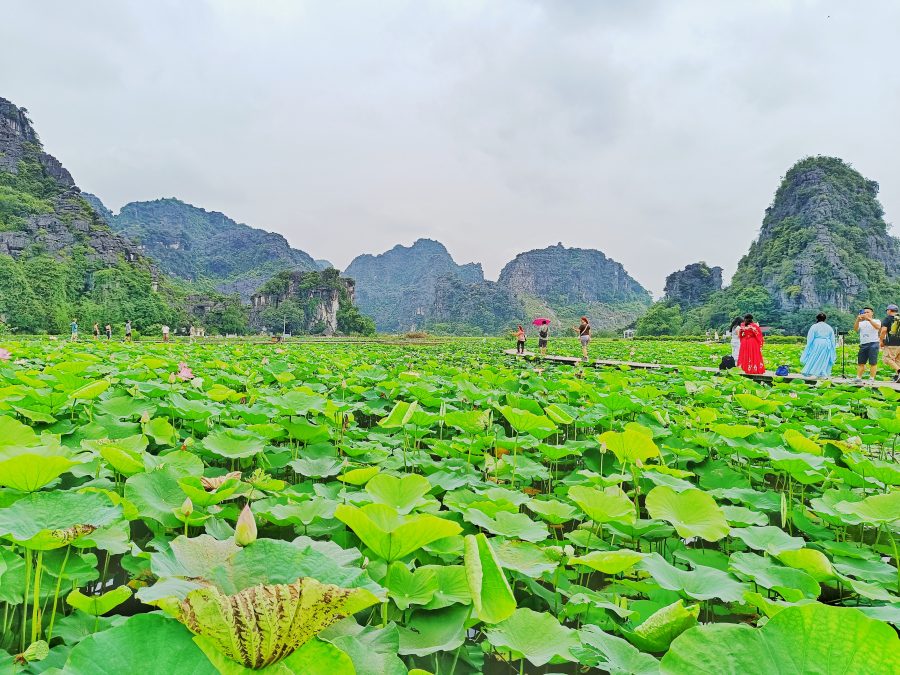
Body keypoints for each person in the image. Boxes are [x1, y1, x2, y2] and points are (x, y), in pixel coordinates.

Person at [800, 313, 836, 377]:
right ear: (825, 319)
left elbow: (810, 337)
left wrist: (809, 345)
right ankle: (822, 372)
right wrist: (833, 347)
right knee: (824, 358)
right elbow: (832, 338)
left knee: (814, 357)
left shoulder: (814, 326)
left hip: (817, 343)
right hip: (826, 344)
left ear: (817, 318)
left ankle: (810, 371)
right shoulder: (829, 327)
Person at [853, 307, 881, 380]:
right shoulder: (861, 323)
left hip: (873, 343)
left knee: (873, 362)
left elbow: (878, 327)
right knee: (861, 362)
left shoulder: (876, 320)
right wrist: (858, 319)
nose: (866, 314)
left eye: (867, 312)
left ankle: (871, 378)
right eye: (864, 312)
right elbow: (855, 329)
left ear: (872, 313)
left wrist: (869, 319)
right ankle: (858, 377)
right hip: (863, 344)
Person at [880, 303, 900, 382]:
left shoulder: (888, 319)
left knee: (886, 358)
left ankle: (899, 371)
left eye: (887, 310)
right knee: (898, 360)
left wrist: (881, 341)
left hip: (892, 343)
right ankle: (898, 377)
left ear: (889, 310)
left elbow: (883, 331)